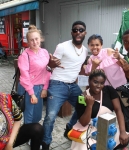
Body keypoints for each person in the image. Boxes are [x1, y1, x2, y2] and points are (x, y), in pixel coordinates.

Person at [42, 21, 88, 150]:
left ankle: (69, 128)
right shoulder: (62, 46)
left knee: (84, 107)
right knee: (50, 116)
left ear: (85, 32)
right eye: (75, 30)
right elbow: (50, 66)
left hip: (73, 86)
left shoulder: (85, 51)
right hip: (57, 85)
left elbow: (78, 69)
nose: (78, 32)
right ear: (71, 32)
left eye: (81, 30)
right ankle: (45, 143)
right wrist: (50, 64)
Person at [70, 69, 129, 150]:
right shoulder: (83, 97)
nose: (99, 86)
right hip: (89, 130)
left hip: (107, 126)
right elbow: (84, 123)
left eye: (102, 83)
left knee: (123, 140)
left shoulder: (109, 90)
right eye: (95, 82)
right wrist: (89, 106)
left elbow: (118, 110)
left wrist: (122, 131)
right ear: (89, 80)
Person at [17, 25, 51, 124]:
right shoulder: (25, 55)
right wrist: (32, 94)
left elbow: (47, 71)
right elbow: (24, 77)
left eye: (36, 39)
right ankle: (27, 138)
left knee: (37, 115)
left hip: (40, 87)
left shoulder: (44, 52)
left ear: (41, 39)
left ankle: (34, 137)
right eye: (31, 40)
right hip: (29, 88)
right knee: (29, 116)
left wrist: (45, 88)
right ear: (28, 42)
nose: (35, 42)